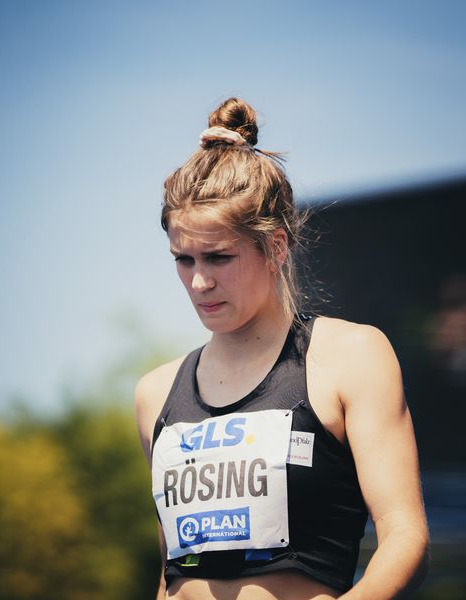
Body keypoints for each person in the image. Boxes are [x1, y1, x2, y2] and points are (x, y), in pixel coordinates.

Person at [135, 97, 429, 600]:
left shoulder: (350, 356)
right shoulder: (155, 393)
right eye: (182, 260)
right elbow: (170, 575)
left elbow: (406, 537)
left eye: (219, 257)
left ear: (275, 246)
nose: (199, 281)